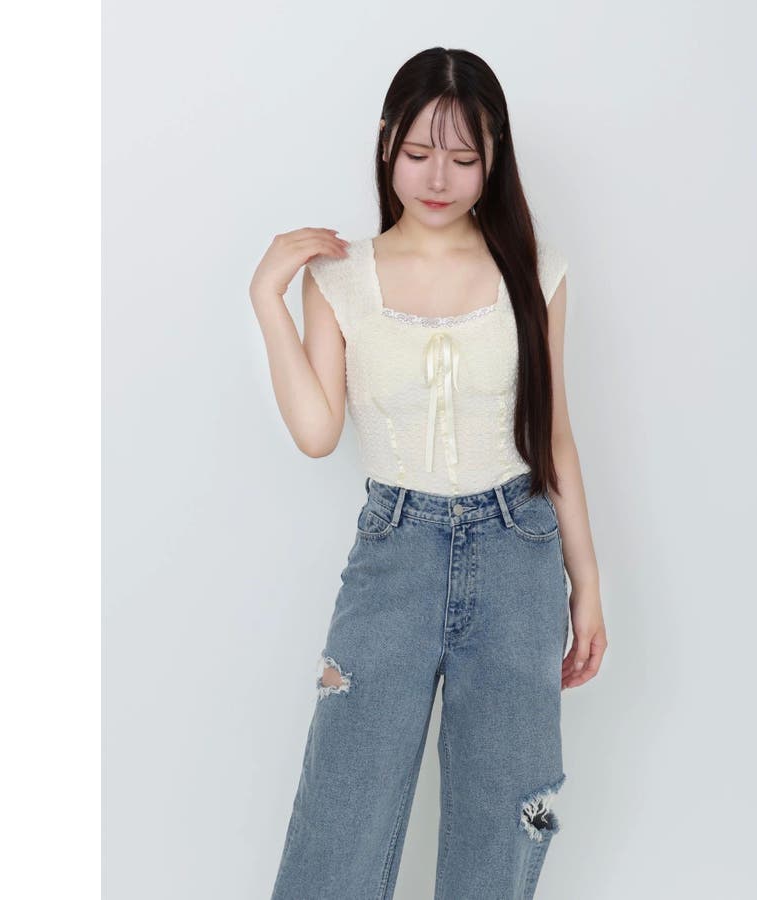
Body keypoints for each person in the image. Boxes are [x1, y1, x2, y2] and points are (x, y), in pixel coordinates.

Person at [249, 46, 606, 900]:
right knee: (342, 815)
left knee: (504, 816)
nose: (438, 178)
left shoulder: (537, 270)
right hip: (394, 552)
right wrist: (268, 298)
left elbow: (554, 435)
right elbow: (316, 432)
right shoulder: (340, 277)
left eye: (463, 157)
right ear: (386, 144)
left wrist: (587, 586)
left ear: (494, 158)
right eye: (417, 153)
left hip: (519, 553)